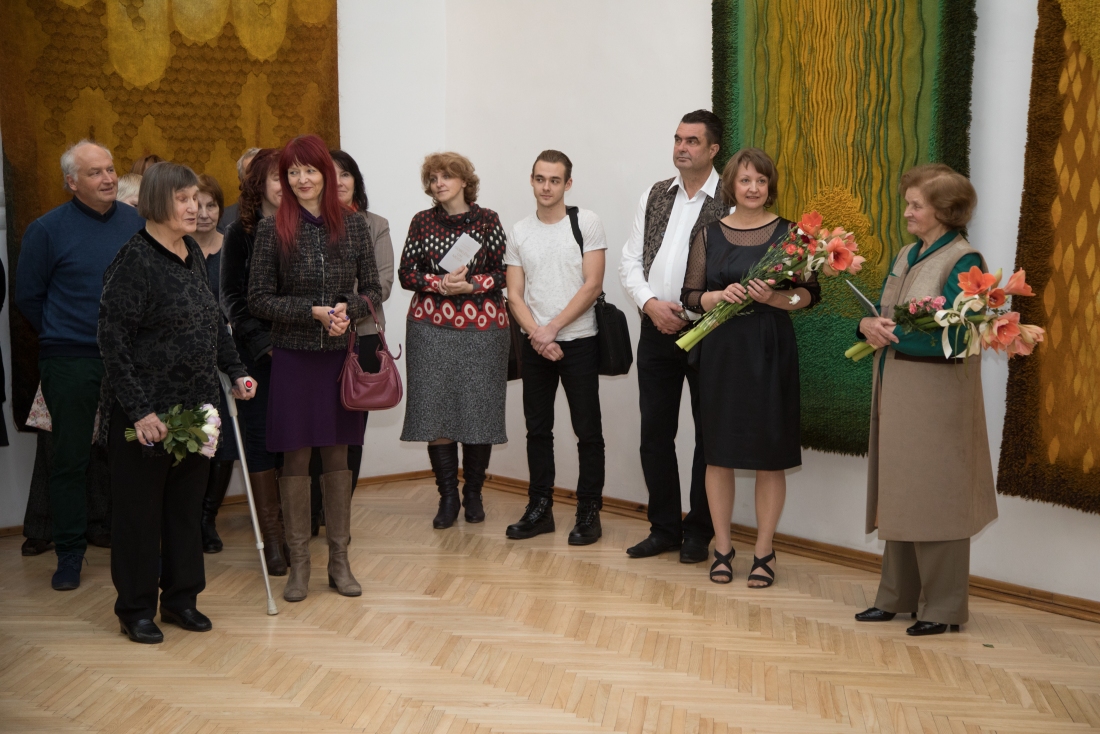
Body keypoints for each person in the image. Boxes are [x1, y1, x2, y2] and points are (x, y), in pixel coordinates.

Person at [98, 161, 255, 644]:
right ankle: (136, 609)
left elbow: (212, 322)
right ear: (156, 203)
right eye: (183, 199)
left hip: (197, 409)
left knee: (185, 511)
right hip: (148, 416)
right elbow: (113, 344)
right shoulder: (133, 261)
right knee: (140, 516)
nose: (195, 209)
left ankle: (182, 599)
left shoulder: (191, 252)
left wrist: (237, 370)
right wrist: (141, 411)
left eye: (196, 199)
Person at [854, 163, 997, 636]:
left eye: (916, 205)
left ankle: (943, 607)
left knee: (937, 496)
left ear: (945, 210)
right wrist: (866, 325)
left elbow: (960, 335)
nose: (907, 212)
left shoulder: (964, 260)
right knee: (900, 490)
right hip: (898, 387)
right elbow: (885, 313)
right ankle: (896, 597)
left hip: (937, 398)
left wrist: (892, 336)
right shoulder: (907, 252)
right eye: (908, 203)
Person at [249, 135, 381, 602]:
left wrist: (347, 308)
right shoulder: (271, 229)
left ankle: (339, 562)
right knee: (296, 457)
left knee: (338, 455)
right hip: (293, 358)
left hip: (340, 359)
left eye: (309, 170)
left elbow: (373, 289)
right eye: (292, 172)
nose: (301, 179)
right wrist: (313, 313)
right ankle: (300, 565)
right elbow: (259, 299)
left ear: (325, 173)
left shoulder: (355, 225)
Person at [681, 147, 820, 587]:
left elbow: (809, 295)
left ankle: (764, 550)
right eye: (745, 180)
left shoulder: (792, 234)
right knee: (717, 454)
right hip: (721, 352)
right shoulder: (708, 234)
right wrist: (718, 297)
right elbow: (690, 296)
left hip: (769, 349)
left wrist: (775, 298)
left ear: (770, 186)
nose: (754, 188)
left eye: (761, 180)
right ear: (731, 185)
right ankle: (722, 547)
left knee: (770, 457)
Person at [15, 140, 143, 590]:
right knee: (69, 460)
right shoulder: (46, 230)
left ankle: (136, 549)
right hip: (71, 360)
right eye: (95, 172)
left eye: (110, 169)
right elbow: (29, 297)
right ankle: (69, 553)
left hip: (130, 360)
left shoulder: (137, 223)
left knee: (134, 458)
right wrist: (67, 333)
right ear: (72, 182)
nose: (108, 178)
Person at [618, 109, 727, 564]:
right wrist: (649, 304)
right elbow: (630, 260)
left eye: (692, 141)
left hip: (709, 332)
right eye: (678, 139)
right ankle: (663, 528)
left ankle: (699, 532)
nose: (682, 147)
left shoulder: (731, 200)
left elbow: (734, 273)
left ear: (713, 149)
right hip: (655, 328)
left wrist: (690, 312)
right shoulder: (655, 194)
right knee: (655, 434)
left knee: (709, 436)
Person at [398, 152, 509, 530]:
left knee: (479, 411)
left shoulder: (488, 219)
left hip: (484, 329)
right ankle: (448, 496)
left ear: (464, 181)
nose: (439, 183)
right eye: (433, 178)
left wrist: (472, 285)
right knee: (436, 411)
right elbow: (407, 273)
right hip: (430, 329)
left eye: (446, 176)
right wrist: (439, 283)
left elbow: (505, 271)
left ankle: (473, 493)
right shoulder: (422, 221)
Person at [504, 150, 607, 545]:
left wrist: (553, 329)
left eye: (554, 180)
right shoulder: (519, 231)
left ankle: (588, 512)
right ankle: (539, 509)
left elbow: (592, 285)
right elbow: (514, 294)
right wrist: (537, 334)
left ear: (568, 184)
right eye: (540, 179)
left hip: (578, 341)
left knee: (588, 431)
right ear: (531, 181)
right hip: (536, 345)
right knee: (537, 430)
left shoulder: (586, 222)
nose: (546, 187)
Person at [220, 148, 289, 575]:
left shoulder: (307, 227)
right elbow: (231, 299)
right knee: (261, 440)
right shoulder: (238, 232)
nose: (288, 184)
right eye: (278, 177)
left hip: (302, 353)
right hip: (257, 356)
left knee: (296, 444)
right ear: (258, 184)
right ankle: (274, 541)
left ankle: (296, 535)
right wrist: (264, 345)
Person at [192, 173, 241, 553]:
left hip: (229, 358)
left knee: (224, 442)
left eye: (212, 205)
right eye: (198, 205)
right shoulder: (177, 250)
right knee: (196, 437)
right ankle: (188, 516)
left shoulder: (232, 248)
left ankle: (208, 518)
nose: (205, 213)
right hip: (189, 361)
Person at [219, 147, 260, 231]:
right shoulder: (225, 219)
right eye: (250, 174)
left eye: (260, 172)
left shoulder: (286, 213)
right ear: (241, 180)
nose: (257, 180)